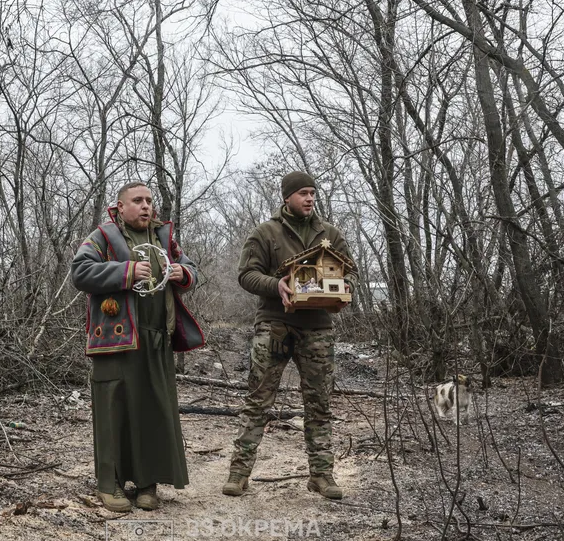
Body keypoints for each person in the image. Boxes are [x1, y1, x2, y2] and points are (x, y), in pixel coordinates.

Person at [70, 181, 204, 512]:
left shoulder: (163, 237)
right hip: (115, 340)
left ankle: (147, 484)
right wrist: (127, 271)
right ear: (120, 206)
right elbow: (80, 272)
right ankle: (110, 484)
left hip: (157, 338)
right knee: (113, 410)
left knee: (152, 410)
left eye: (149, 201)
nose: (145, 206)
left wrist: (181, 273)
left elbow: (193, 271)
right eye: (137, 201)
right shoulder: (103, 236)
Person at [223, 171, 357, 500]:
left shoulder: (330, 234)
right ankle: (239, 473)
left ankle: (321, 475)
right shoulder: (266, 233)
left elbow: (346, 270)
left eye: (312, 192)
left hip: (318, 327)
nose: (310, 198)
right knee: (259, 400)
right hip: (275, 324)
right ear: (287, 197)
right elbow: (246, 274)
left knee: (319, 402)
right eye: (303, 193)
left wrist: (344, 289)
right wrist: (276, 284)